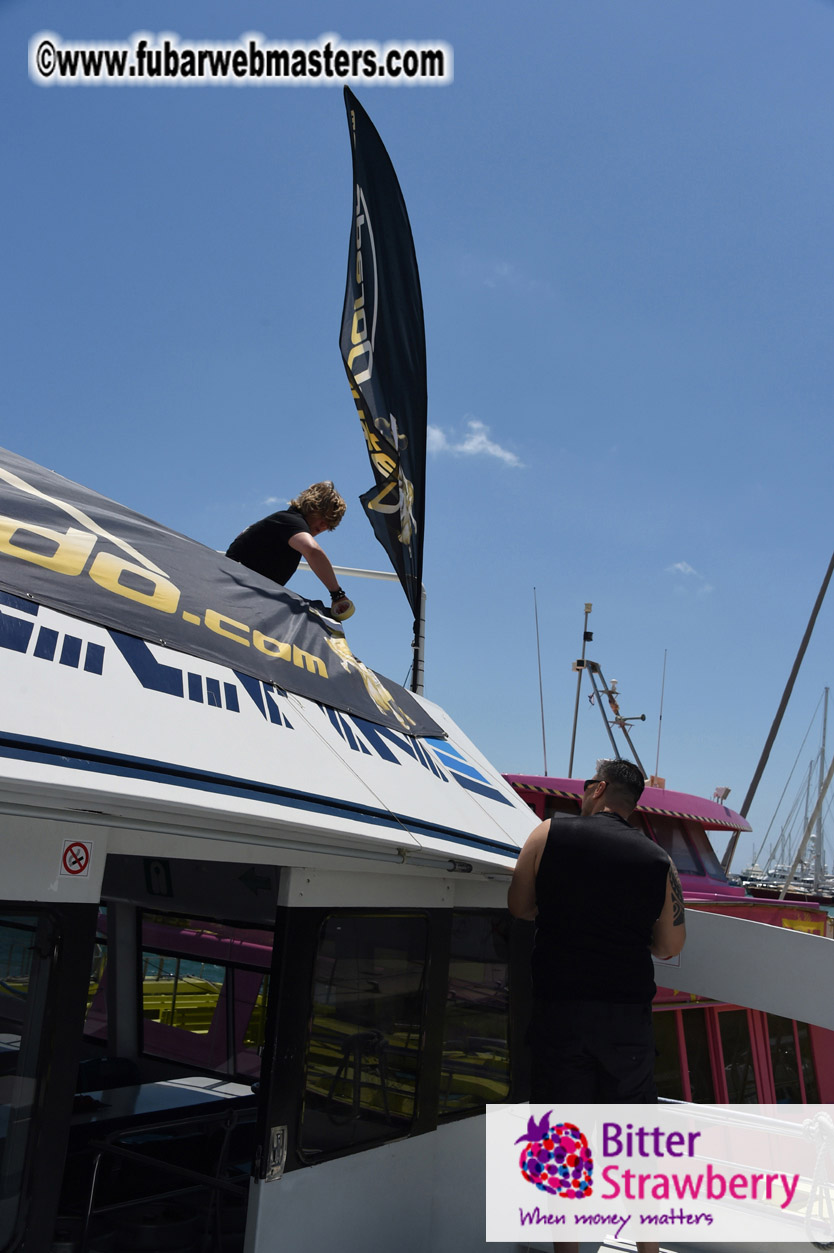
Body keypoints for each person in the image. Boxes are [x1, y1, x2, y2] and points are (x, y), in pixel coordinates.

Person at [508, 757, 686, 1253]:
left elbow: (520, 907)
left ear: (599, 789)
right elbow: (671, 946)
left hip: (561, 1013)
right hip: (626, 1019)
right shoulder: (658, 860)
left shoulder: (549, 834)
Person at [226, 482, 354, 620]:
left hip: (234, 592)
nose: (323, 526)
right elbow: (312, 550)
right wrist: (337, 594)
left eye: (329, 524)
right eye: (324, 517)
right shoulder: (290, 521)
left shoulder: (281, 522)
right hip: (233, 593)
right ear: (312, 506)